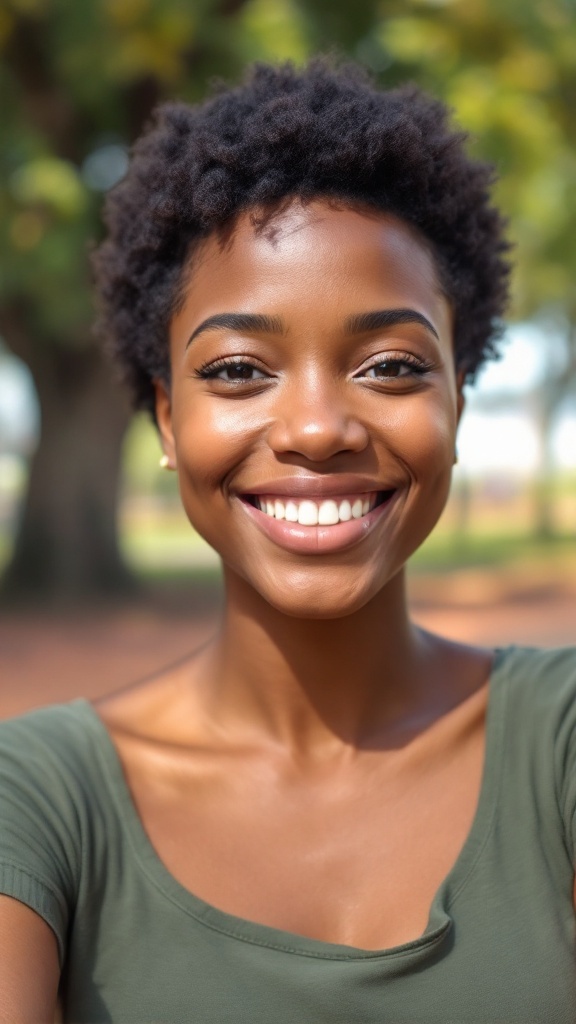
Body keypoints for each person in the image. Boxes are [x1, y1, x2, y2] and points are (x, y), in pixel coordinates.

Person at [1, 58, 575, 1023]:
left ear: (457, 404)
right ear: (169, 419)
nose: (317, 429)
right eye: (237, 369)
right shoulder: (41, 804)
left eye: (391, 365)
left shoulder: (555, 747)